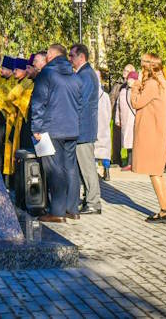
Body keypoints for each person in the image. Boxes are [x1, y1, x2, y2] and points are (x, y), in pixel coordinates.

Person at [29, 44, 82, 224]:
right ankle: (72, 209)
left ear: (51, 55)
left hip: (52, 129)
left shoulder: (47, 74)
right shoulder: (75, 77)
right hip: (72, 129)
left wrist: (36, 128)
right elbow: (79, 105)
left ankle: (57, 212)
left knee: (54, 170)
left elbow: (38, 103)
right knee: (70, 168)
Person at [132, 53, 166, 224]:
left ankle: (165, 210)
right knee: (156, 171)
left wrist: (135, 85)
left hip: (153, 133)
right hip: (158, 131)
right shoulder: (161, 82)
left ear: (148, 66)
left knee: (154, 172)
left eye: (142, 64)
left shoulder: (151, 84)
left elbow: (136, 103)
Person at [70, 44, 101, 214]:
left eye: (72, 56)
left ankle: (94, 202)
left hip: (84, 129)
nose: (70, 59)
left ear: (81, 57)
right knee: (83, 167)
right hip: (81, 128)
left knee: (87, 167)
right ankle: (88, 198)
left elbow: (80, 102)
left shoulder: (87, 75)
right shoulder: (83, 74)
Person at [110, 65, 134, 168]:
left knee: (129, 138)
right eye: (124, 69)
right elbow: (112, 98)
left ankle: (130, 161)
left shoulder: (131, 86)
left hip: (128, 116)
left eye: (127, 71)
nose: (124, 72)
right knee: (116, 139)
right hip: (116, 114)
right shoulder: (118, 83)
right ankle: (116, 159)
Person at [114, 71, 137, 169]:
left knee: (132, 142)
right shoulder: (123, 90)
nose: (129, 81)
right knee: (127, 142)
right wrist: (117, 119)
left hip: (133, 119)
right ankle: (128, 161)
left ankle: (131, 163)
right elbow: (118, 105)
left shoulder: (137, 90)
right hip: (124, 119)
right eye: (129, 79)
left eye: (132, 79)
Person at [94, 69, 113, 182]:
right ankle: (106, 170)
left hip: (95, 124)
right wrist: (107, 120)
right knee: (105, 149)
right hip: (104, 124)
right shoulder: (105, 95)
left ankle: (95, 170)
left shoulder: (89, 93)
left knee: (94, 149)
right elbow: (109, 110)